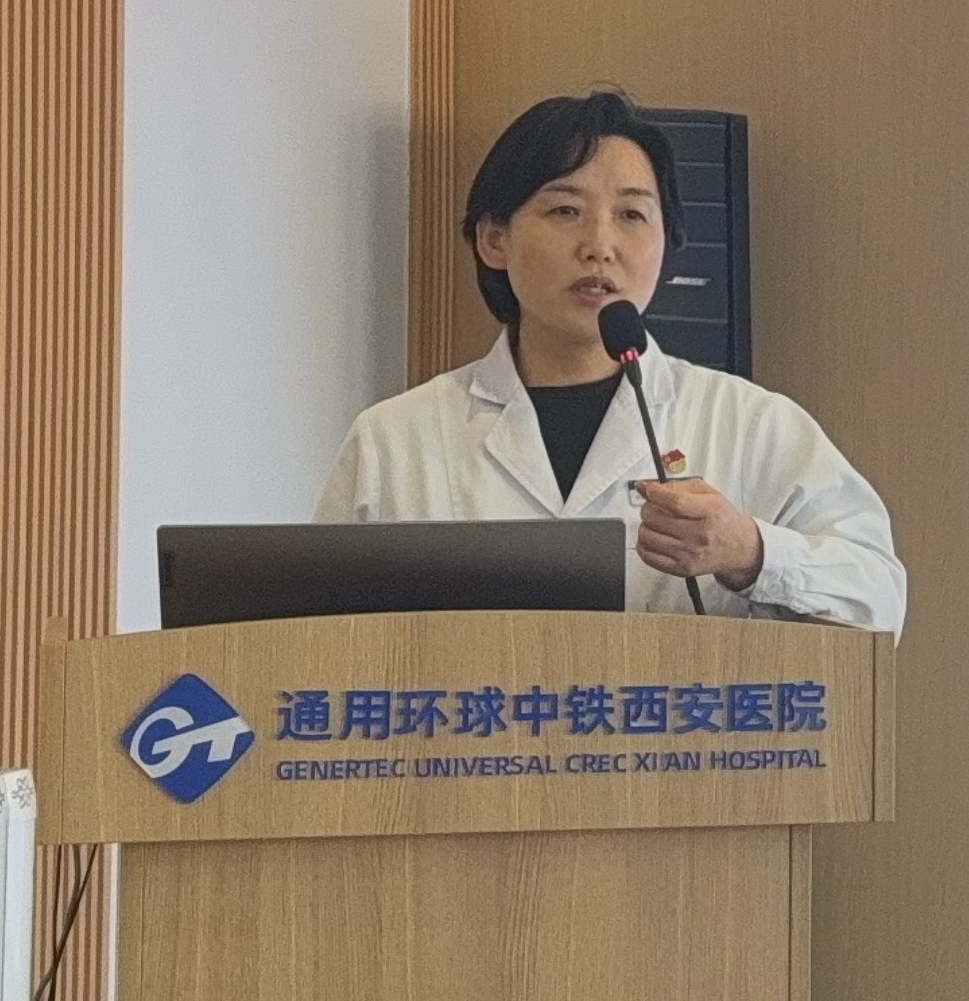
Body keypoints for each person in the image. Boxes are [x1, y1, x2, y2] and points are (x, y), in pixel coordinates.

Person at [317, 91, 905, 632]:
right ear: (494, 240)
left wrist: (751, 553)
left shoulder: (751, 423)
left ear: (665, 245)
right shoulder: (393, 440)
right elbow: (311, 638)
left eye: (631, 215)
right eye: (565, 211)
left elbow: (880, 603)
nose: (600, 245)